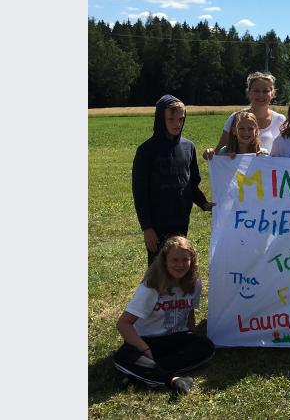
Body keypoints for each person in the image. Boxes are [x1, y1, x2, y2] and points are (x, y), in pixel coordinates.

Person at [114, 236, 216, 394]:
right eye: (174, 260)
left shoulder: (194, 283)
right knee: (123, 356)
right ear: (164, 261)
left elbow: (189, 311)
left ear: (192, 260)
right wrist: (144, 348)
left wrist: (192, 336)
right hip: (147, 340)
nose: (180, 265)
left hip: (175, 337)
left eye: (185, 260)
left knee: (206, 347)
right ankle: (173, 380)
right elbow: (123, 324)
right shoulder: (151, 287)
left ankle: (140, 373)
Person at [132, 94, 213, 265]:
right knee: (158, 269)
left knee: (178, 263)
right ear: (161, 119)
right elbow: (139, 192)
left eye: (181, 119)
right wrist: (147, 228)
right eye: (171, 119)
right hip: (157, 222)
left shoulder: (188, 147)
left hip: (181, 217)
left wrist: (203, 203)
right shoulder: (146, 151)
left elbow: (191, 183)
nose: (177, 124)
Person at [204, 71, 287, 158]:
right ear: (249, 92)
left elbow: (286, 151)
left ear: (272, 94)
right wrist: (209, 153)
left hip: (268, 170)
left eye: (266, 91)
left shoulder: (280, 120)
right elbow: (218, 151)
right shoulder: (235, 117)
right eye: (256, 90)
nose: (261, 95)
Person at [203, 111, 269, 158]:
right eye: (241, 129)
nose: (246, 132)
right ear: (234, 131)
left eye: (250, 129)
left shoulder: (262, 153)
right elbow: (211, 159)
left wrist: (265, 158)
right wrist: (208, 153)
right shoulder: (224, 152)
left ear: (256, 131)